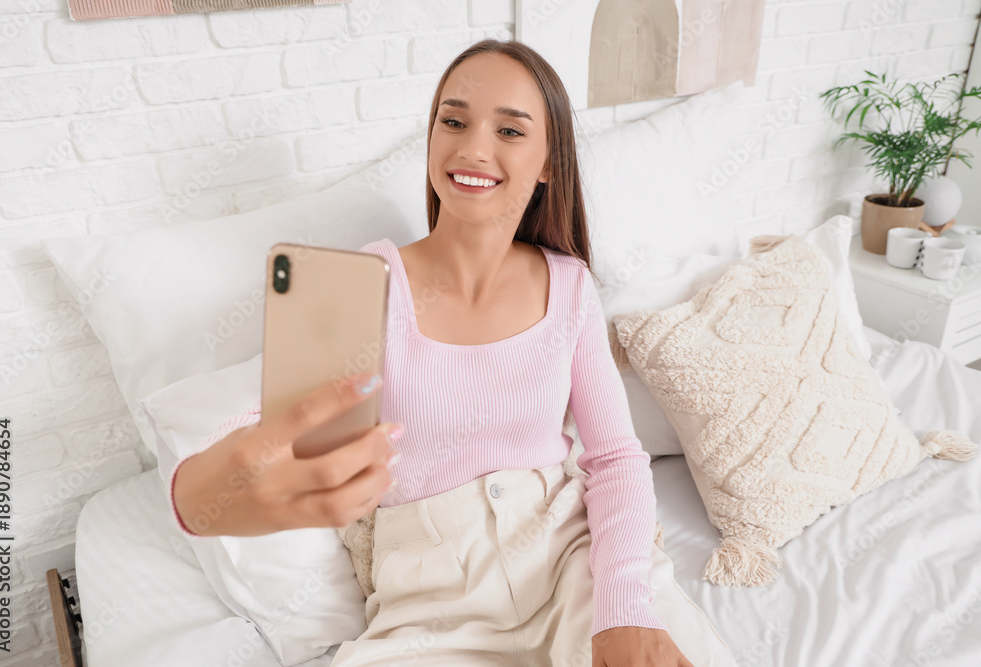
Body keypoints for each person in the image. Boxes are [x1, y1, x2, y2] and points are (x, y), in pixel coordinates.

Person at [170, 39, 737, 667]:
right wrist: (200, 495)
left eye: (510, 130)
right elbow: (273, 426)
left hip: (574, 566)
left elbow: (615, 458)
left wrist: (624, 609)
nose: (472, 148)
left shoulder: (569, 284)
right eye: (454, 121)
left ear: (549, 164)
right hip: (427, 602)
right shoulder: (363, 285)